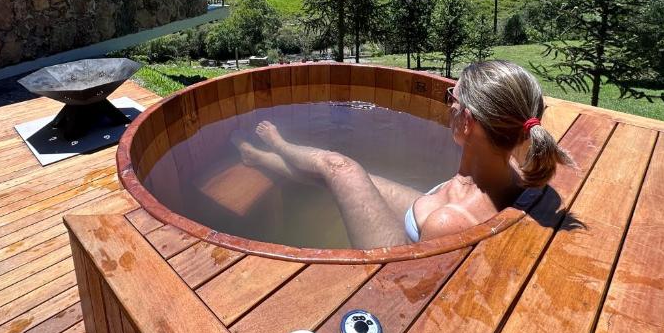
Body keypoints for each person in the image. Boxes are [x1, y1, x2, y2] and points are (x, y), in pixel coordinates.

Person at [234, 60, 574, 249]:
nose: (449, 102)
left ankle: (275, 147)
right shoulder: (510, 167)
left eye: (451, 98)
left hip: (400, 246)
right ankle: (262, 159)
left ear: (467, 123)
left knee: (341, 168)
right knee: (346, 180)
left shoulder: (450, 222)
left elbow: (405, 282)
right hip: (431, 207)